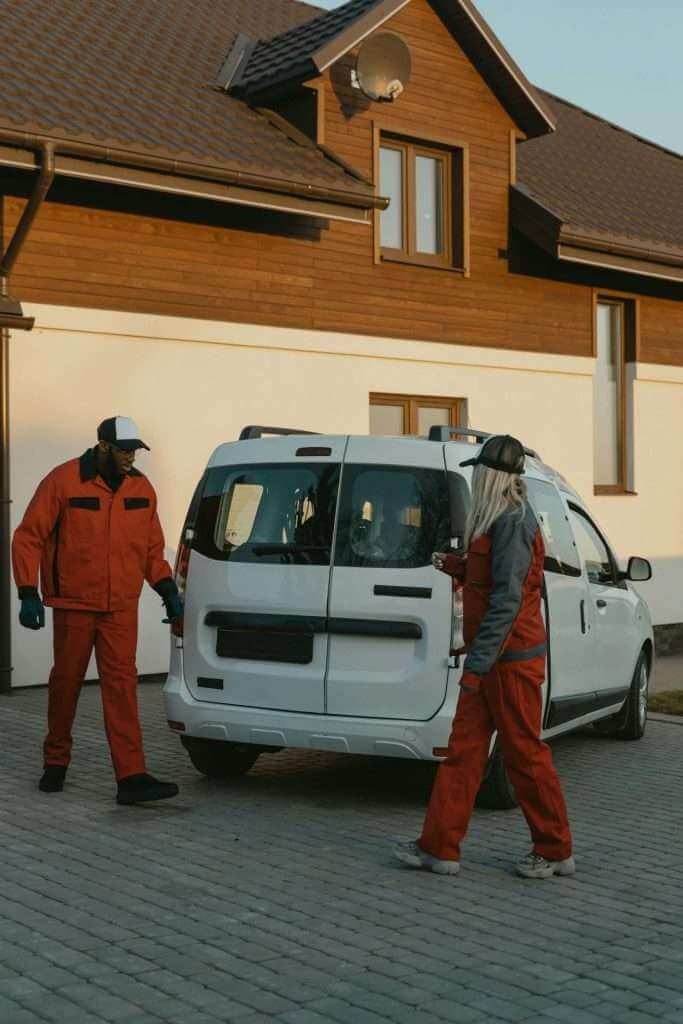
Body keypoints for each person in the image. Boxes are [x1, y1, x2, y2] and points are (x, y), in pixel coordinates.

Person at [394, 435, 574, 879]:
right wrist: (458, 565)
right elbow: (494, 579)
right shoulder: (497, 521)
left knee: (524, 755)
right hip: (492, 660)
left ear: (492, 476)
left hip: (509, 664)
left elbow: (507, 602)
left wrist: (476, 668)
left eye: (479, 472)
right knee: (463, 753)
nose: (474, 478)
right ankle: (439, 848)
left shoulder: (514, 522)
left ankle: (555, 850)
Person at [12, 416, 183, 805]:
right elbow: (28, 536)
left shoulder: (142, 488)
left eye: (134, 450)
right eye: (124, 450)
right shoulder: (63, 481)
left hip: (120, 608)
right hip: (74, 604)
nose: (130, 457)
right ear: (103, 446)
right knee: (66, 684)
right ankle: (55, 762)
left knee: (123, 687)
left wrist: (167, 588)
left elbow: (151, 549)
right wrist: (27, 591)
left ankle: (131, 776)